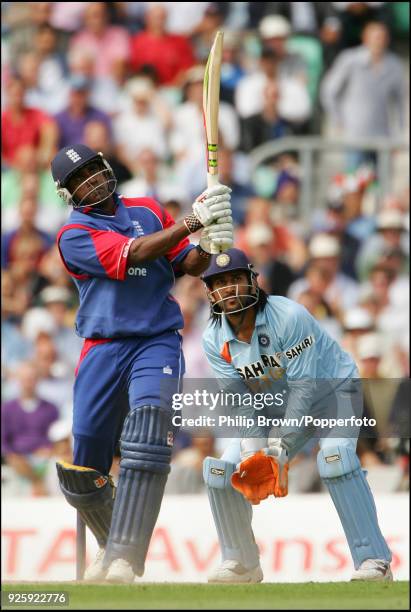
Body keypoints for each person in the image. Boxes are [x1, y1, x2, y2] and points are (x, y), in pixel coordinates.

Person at [50, 143, 233, 583]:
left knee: (149, 429)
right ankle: (112, 548)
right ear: (68, 193)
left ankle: (125, 558)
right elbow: (134, 253)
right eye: (81, 179)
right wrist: (193, 222)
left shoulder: (147, 209)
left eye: (95, 170)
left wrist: (209, 242)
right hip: (101, 346)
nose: (92, 181)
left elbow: (186, 263)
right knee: (82, 471)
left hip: (155, 339)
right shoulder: (73, 234)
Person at [200, 248, 392, 583]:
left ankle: (374, 561)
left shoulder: (289, 316)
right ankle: (242, 563)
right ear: (210, 292)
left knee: (335, 460)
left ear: (252, 281)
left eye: (234, 279)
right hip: (274, 406)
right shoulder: (213, 339)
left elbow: (304, 389)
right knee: (221, 471)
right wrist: (252, 455)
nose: (228, 288)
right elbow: (243, 404)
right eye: (219, 283)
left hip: (333, 393)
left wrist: (278, 450)